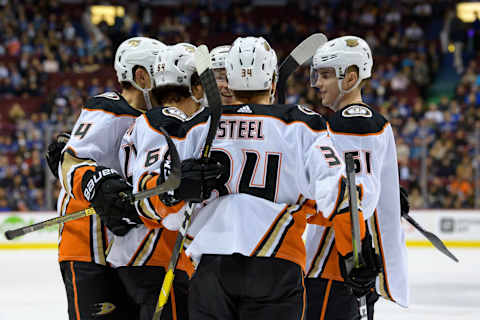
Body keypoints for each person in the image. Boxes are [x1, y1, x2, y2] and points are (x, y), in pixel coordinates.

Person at [125, 36, 365, 320]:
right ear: (273, 82)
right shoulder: (303, 123)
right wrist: (356, 253)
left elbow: (148, 200)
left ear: (229, 82)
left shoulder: (198, 126)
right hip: (278, 265)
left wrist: (175, 192)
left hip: (212, 270)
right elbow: (340, 192)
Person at [106, 42, 220, 320]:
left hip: (145, 256)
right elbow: (152, 192)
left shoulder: (155, 119)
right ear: (194, 85)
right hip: (155, 255)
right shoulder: (167, 121)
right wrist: (174, 192)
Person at [53, 36, 164, 320]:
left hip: (128, 254)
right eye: (161, 73)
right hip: (89, 251)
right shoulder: (109, 107)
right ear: (141, 76)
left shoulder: (159, 121)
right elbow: (69, 162)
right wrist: (98, 185)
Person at [305, 35, 408, 320]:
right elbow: (369, 187)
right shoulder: (373, 122)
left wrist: (354, 256)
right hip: (350, 261)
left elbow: (352, 199)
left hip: (336, 263)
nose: (317, 83)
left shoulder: (351, 124)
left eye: (325, 75)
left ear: (350, 78)